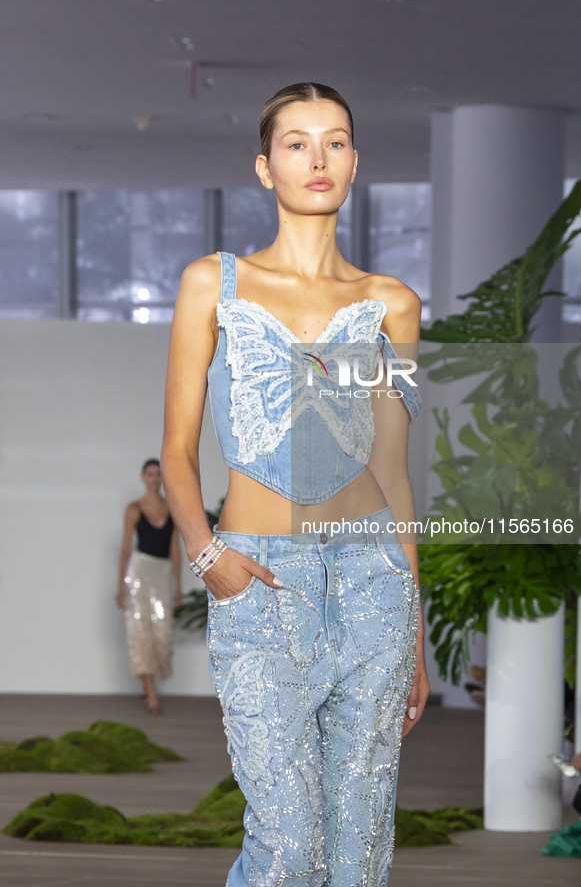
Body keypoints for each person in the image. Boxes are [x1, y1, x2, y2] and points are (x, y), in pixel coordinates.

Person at [161, 83, 429, 886]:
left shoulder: (392, 305)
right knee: (283, 841)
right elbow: (175, 452)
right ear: (263, 165)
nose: (317, 157)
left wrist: (412, 625)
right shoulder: (214, 285)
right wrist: (213, 561)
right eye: (296, 142)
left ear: (354, 164)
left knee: (359, 842)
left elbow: (391, 468)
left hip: (373, 582)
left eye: (336, 141)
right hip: (261, 578)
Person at [116, 458, 182, 715]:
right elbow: (125, 549)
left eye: (158, 475)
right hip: (140, 572)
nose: (154, 479)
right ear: (143, 477)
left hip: (162, 573)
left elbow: (175, 551)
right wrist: (120, 585)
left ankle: (148, 685)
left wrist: (177, 587)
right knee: (141, 628)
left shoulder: (173, 508)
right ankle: (150, 690)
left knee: (161, 629)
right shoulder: (134, 509)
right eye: (150, 474)